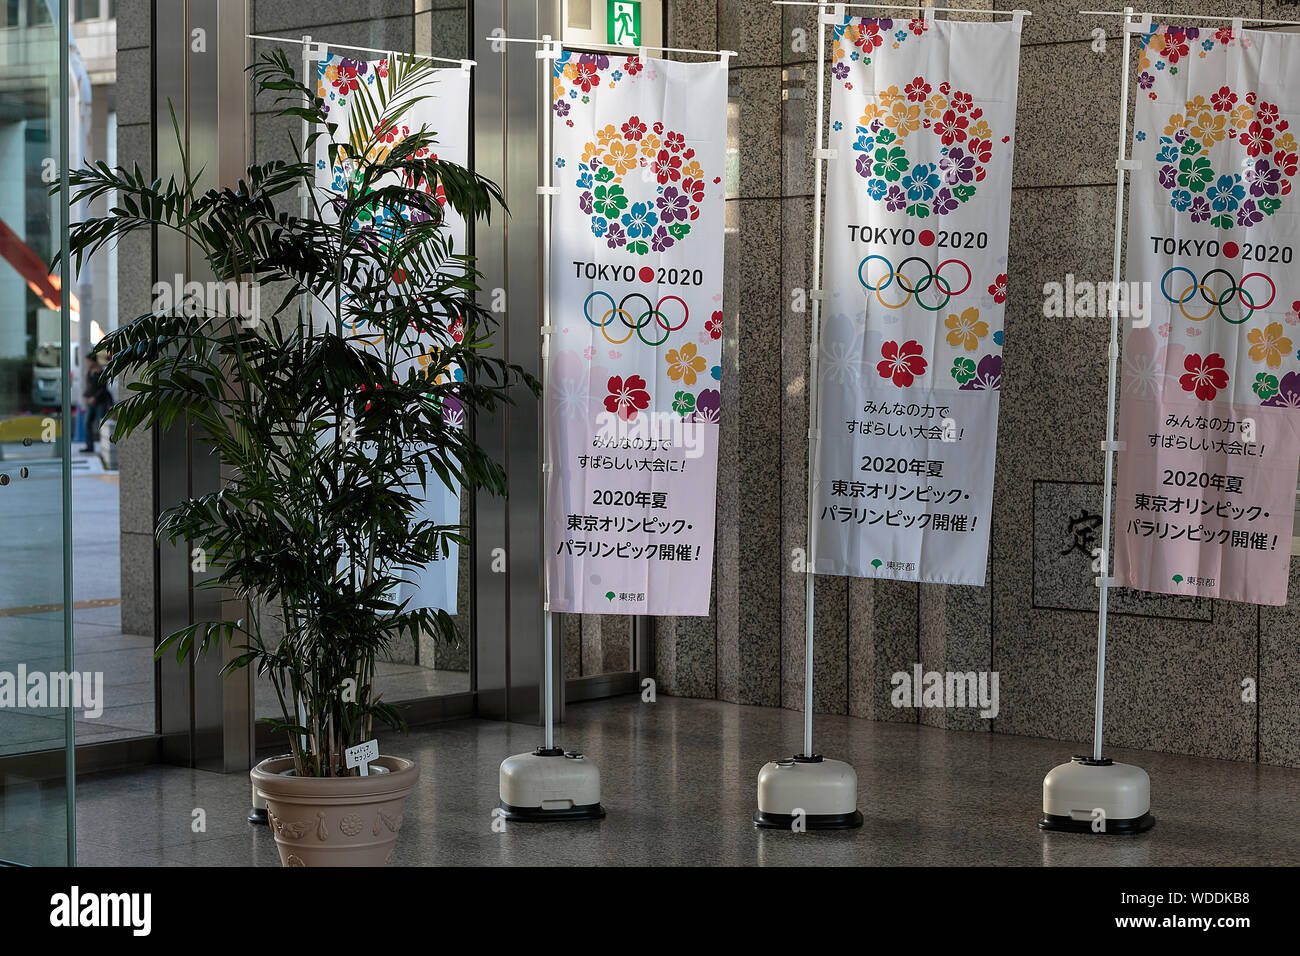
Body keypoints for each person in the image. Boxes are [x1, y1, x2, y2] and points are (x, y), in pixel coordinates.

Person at [82, 353, 113, 454]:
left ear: (93, 361)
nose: (87, 363)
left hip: (100, 401)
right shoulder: (89, 371)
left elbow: (103, 388)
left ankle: (106, 445)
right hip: (90, 402)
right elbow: (90, 386)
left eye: (88, 361)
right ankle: (89, 446)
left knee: (102, 424)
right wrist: (87, 395)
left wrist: (94, 397)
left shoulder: (101, 372)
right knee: (87, 423)